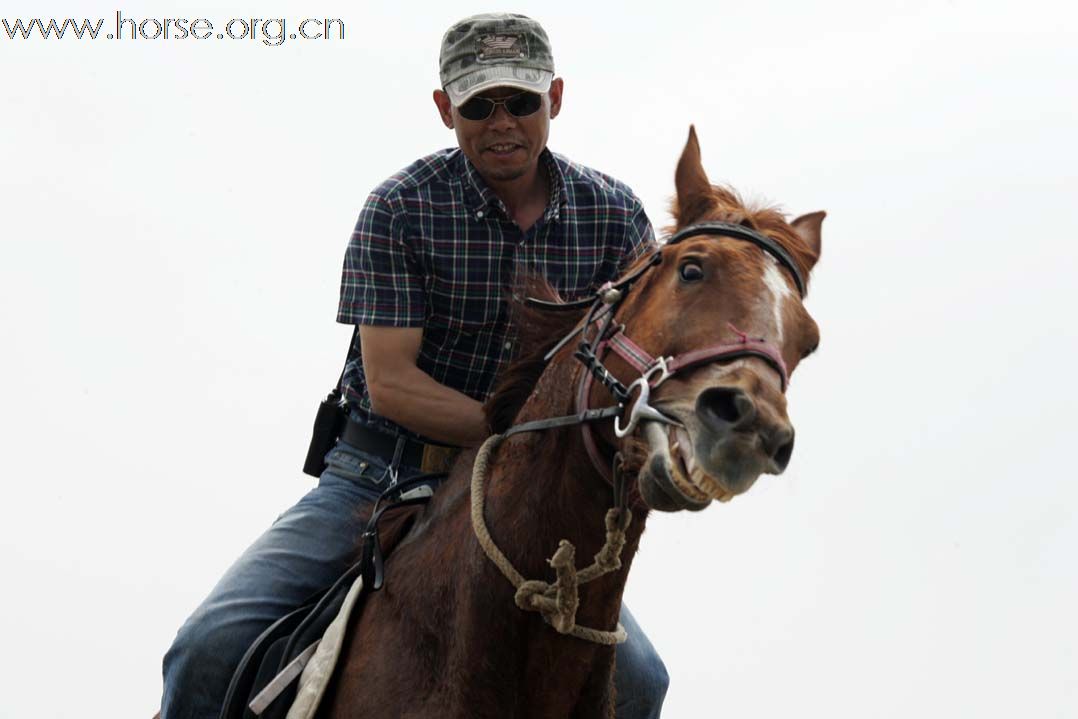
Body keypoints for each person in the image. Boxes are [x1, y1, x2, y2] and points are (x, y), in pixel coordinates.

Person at [161, 12, 669, 718]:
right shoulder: (399, 208)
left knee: (641, 679)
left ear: (554, 98)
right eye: (478, 105)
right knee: (208, 648)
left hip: (528, 499)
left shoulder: (615, 218)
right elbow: (394, 383)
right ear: (444, 108)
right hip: (379, 476)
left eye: (520, 102)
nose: (501, 123)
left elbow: (636, 368)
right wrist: (534, 438)